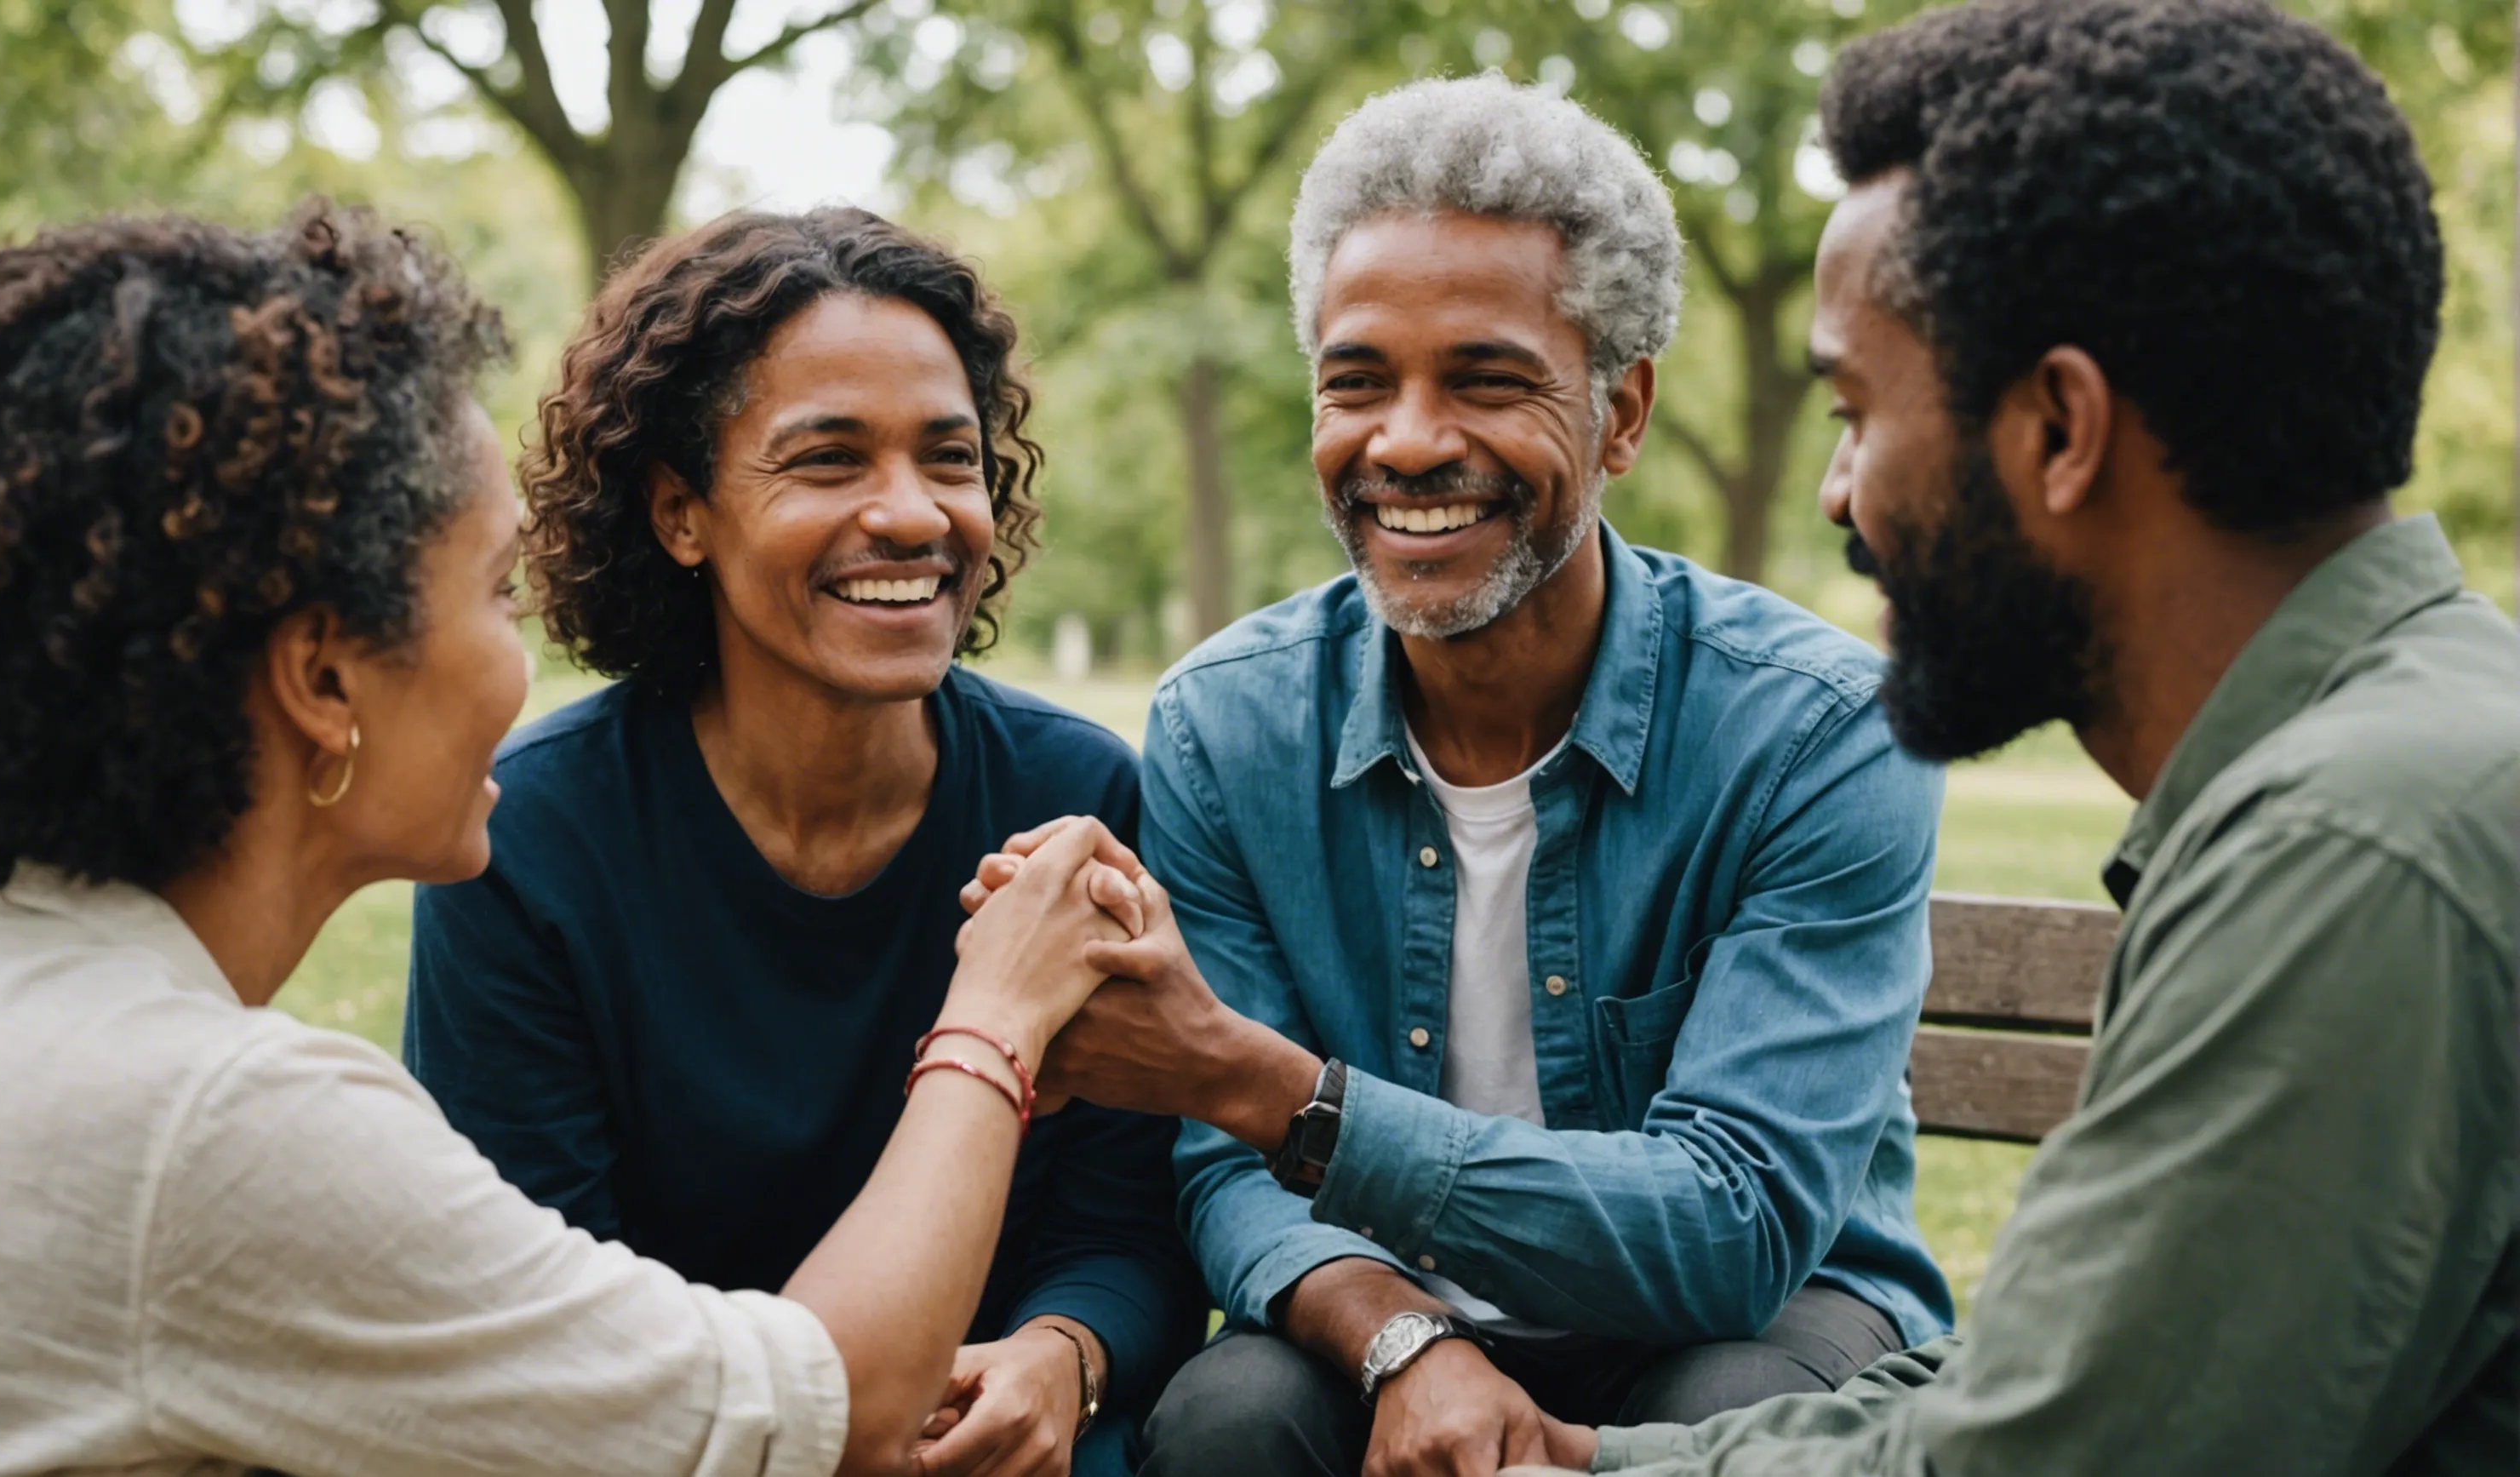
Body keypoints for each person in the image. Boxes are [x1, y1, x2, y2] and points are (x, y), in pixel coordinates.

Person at [0, 202, 1141, 1477]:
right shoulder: (219, 1128)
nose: (522, 660)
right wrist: (995, 1007)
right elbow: (824, 1413)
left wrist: (1070, 1344)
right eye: (497, 591)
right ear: (326, 681)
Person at [1492, 2, 2518, 1473]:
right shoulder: (2405, 748)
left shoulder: (2351, 850)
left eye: (1856, 409)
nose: (1840, 493)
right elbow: (2089, 1365)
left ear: (2060, 430)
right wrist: (1599, 1462)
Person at [970, 74, 1952, 1477]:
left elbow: (1733, 1229)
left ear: (1621, 415)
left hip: (1764, 1320)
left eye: (1486, 379)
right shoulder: (1225, 724)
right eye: (1356, 380)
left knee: (1723, 1413)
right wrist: (1405, 1337)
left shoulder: (1815, 727)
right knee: (1231, 1416)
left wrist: (1286, 1091)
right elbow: (1222, 1168)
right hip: (1378, 1305)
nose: (1408, 440)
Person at [402, 209, 1202, 1477]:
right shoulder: (530, 835)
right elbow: (543, 1307)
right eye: (828, 460)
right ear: (681, 513)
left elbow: (1127, 1225)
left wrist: (1066, 1349)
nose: (911, 516)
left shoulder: (1076, 794)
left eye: (949, 458)